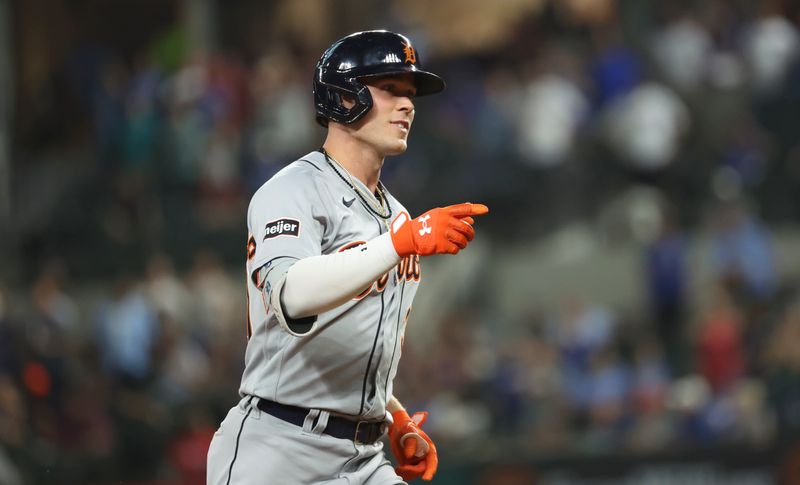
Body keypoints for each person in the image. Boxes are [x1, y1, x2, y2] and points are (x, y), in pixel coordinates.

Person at [206, 30, 488, 485]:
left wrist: (391, 415)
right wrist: (400, 243)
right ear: (343, 97)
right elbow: (292, 294)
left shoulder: (397, 217)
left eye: (411, 94)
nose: (408, 105)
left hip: (361, 456)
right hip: (279, 446)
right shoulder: (293, 190)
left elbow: (356, 344)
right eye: (391, 89)